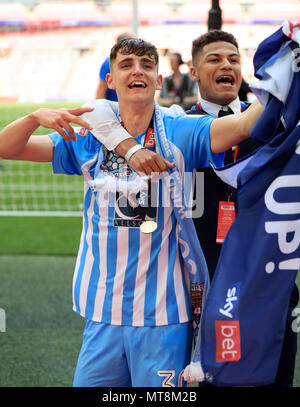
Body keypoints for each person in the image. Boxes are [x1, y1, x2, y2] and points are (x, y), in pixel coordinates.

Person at [0, 38, 263, 388]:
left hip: (165, 313)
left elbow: (243, 126)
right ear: (111, 80)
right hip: (103, 310)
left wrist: (283, 78)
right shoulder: (88, 135)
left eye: (146, 65)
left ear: (158, 80)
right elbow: (8, 148)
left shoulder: (181, 131)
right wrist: (34, 117)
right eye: (126, 65)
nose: (136, 70)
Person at [97, 31, 298, 387]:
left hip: (260, 277)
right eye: (215, 59)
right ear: (193, 70)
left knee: (273, 371)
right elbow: (105, 114)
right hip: (194, 285)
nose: (226, 65)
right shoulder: (173, 129)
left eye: (234, 60)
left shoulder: (270, 129)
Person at [95, 32, 137, 101]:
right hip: (114, 107)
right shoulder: (109, 63)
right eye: (134, 42)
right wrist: (102, 109)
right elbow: (101, 90)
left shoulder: (136, 62)